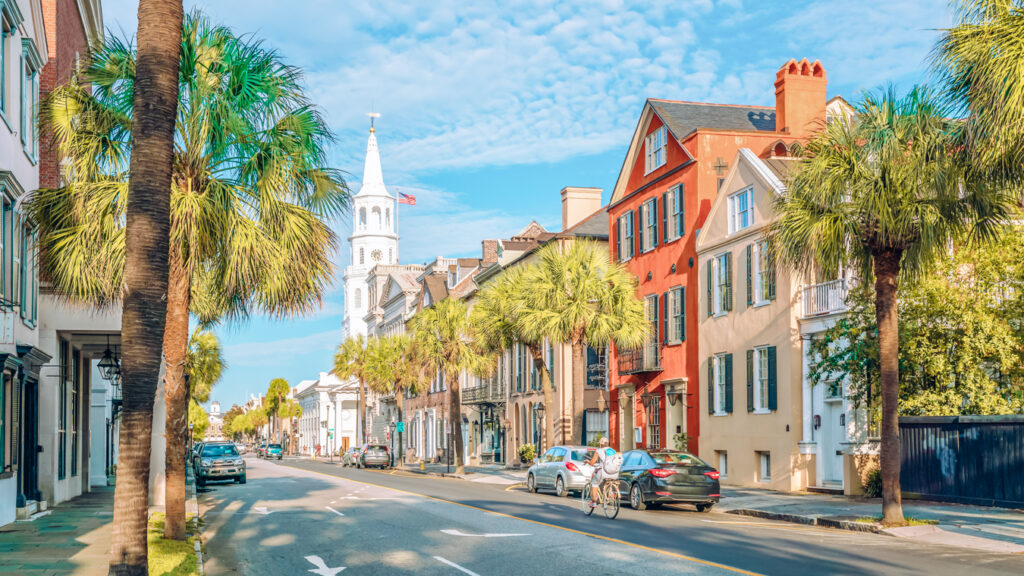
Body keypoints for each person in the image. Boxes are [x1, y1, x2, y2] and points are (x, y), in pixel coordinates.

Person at [586, 437, 617, 506]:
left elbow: (592, 463)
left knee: (594, 483)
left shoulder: (598, 451)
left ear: (600, 444)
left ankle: (594, 502)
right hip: (613, 472)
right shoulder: (613, 451)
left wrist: (587, 461)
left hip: (603, 471)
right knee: (607, 481)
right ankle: (610, 493)